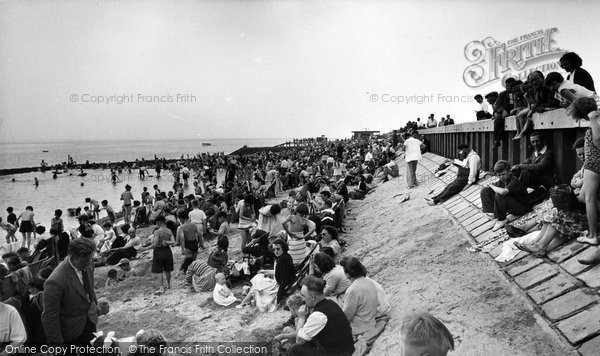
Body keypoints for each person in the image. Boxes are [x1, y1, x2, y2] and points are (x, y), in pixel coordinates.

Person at [514, 138, 587, 257]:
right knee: (554, 207)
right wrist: (577, 183)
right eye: (579, 154)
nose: (582, 157)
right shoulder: (585, 166)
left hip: (589, 216)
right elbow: (574, 179)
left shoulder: (594, 168)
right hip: (583, 209)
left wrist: (578, 185)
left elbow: (584, 194)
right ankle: (537, 242)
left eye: (584, 153)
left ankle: (540, 246)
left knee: (559, 212)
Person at [42, 237, 106, 346]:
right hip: (69, 331)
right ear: (74, 256)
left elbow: (89, 288)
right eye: (86, 260)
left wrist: (95, 306)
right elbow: (50, 316)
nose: (89, 262)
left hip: (89, 322)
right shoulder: (55, 281)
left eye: (90, 258)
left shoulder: (88, 263)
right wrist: (57, 343)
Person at [285, 275, 355, 356]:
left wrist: (301, 318)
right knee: (308, 342)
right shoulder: (332, 303)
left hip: (337, 353)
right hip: (345, 349)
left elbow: (299, 340)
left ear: (313, 297)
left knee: (295, 349)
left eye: (303, 296)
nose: (303, 300)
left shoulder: (318, 315)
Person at [569, 98, 600, 265]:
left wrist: (593, 119)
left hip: (595, 165)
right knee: (585, 198)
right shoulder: (595, 117)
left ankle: (593, 235)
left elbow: (598, 140)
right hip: (592, 164)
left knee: (588, 199)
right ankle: (593, 234)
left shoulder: (594, 117)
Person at [480, 160, 532, 231]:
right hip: (513, 204)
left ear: (509, 171)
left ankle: (501, 220)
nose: (501, 177)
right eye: (499, 175)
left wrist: (491, 186)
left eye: (503, 174)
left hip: (522, 207)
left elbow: (503, 192)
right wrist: (489, 187)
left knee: (500, 194)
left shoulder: (514, 181)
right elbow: (493, 187)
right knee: (485, 190)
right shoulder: (503, 180)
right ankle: (495, 217)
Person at [340, 257, 378, 337]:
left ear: (347, 274)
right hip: (371, 321)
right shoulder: (367, 280)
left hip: (359, 329)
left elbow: (346, 318)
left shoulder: (352, 290)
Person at [138, 216, 176, 294]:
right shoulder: (169, 231)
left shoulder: (157, 232)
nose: (156, 225)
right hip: (167, 251)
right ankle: (169, 285)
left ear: (159, 222)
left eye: (156, 223)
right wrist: (166, 242)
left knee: (159, 271)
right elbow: (173, 242)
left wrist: (145, 249)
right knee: (167, 270)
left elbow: (155, 244)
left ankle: (161, 288)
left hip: (159, 251)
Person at [272, 238, 295, 306]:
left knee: (258, 282)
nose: (276, 251)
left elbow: (283, 280)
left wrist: (279, 297)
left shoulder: (284, 260)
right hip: (279, 282)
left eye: (278, 249)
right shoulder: (283, 256)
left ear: (283, 248)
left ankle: (243, 303)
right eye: (274, 249)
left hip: (282, 285)